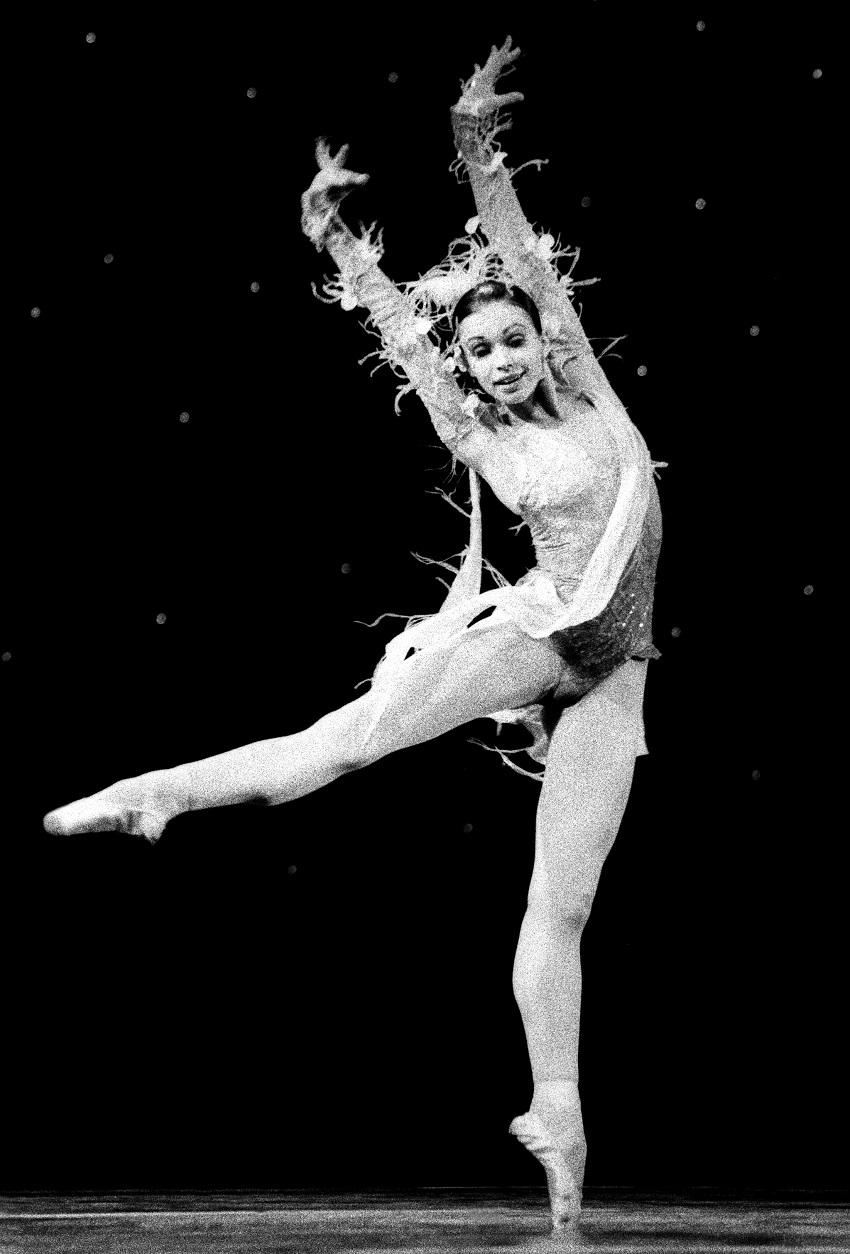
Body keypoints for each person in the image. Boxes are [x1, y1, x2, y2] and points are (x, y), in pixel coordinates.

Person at [42, 37, 667, 1233]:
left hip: (615, 675)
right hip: (546, 636)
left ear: (542, 338)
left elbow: (518, 247)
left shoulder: (588, 384)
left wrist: (474, 144)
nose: (498, 357)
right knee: (342, 745)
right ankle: (154, 793)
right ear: (465, 371)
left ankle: (558, 1114)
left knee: (562, 904)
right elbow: (400, 332)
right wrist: (339, 246)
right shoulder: (479, 432)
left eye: (510, 338)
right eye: (477, 351)